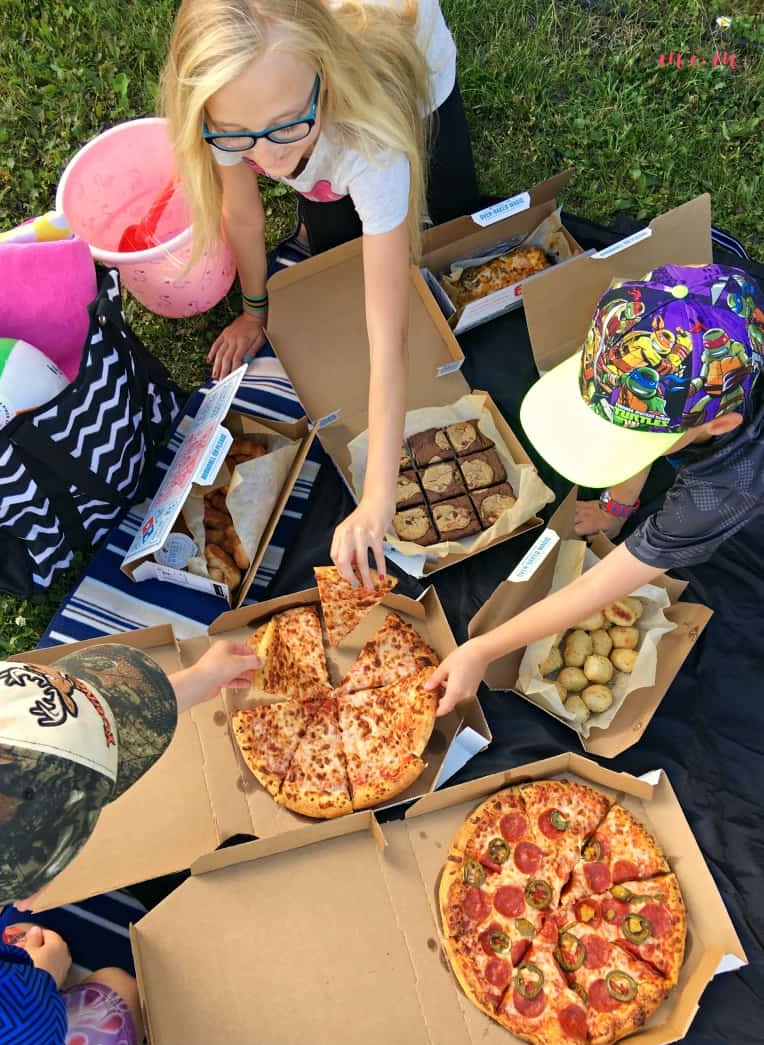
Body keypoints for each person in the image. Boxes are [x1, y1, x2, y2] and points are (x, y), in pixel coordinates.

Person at [162, 0, 478, 589]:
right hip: (327, 123)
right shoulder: (231, 100)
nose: (270, 157)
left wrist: (379, 495)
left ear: (326, 72)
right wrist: (255, 311)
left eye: (286, 125)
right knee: (334, 247)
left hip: (412, 64)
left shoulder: (372, 141)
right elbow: (243, 212)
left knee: (451, 222)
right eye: (238, 137)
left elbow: (390, 336)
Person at [426, 263, 764, 715]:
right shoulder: (702, 302)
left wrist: (483, 648)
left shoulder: (725, 488)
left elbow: (610, 580)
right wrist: (615, 509)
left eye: (635, 437)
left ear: (722, 424)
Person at [0, 638, 261, 1045]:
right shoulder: (19, 1029)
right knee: (121, 990)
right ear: (40, 887)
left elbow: (85, 721)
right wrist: (38, 982)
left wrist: (194, 683)